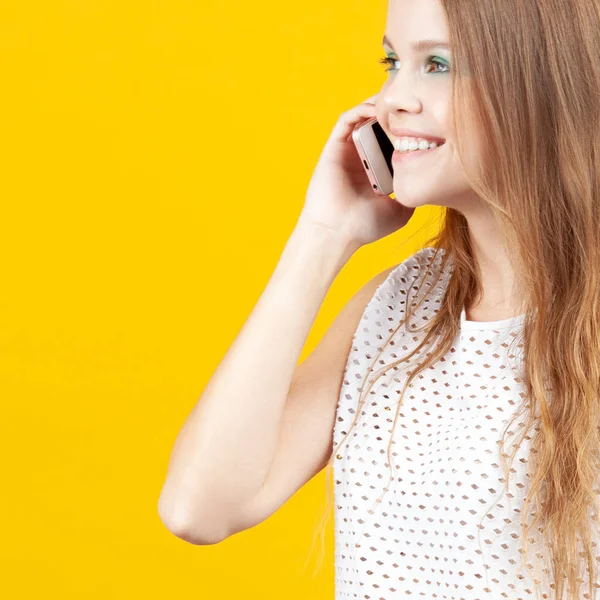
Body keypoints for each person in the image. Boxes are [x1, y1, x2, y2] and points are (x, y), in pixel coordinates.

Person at [157, 0, 600, 598]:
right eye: (393, 61)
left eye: (438, 64)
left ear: (544, 81)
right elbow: (198, 508)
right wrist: (322, 238)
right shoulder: (399, 308)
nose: (392, 97)